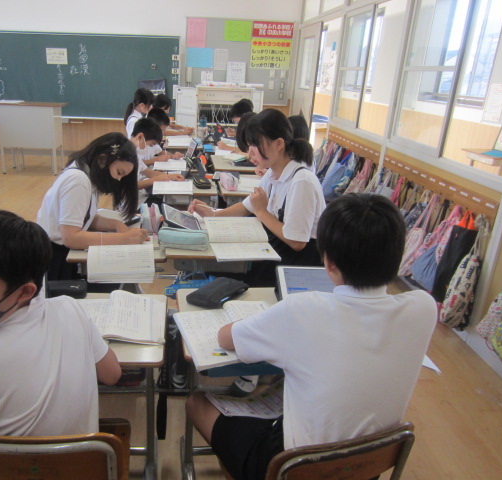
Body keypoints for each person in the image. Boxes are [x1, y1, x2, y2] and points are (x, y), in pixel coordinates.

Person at [185, 193, 438, 480]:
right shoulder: (424, 309)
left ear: (328, 263)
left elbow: (225, 338)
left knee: (197, 403)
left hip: (294, 467)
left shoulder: (301, 310)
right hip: (368, 466)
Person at [0, 210, 122, 480]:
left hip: (6, 471)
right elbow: (112, 374)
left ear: (25, 291)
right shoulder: (70, 307)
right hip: (81, 469)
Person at [189, 109, 326, 287]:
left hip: (297, 267)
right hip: (278, 253)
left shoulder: (302, 181)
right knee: (217, 266)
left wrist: (261, 212)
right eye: (249, 145)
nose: (250, 152)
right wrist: (213, 215)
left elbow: (296, 241)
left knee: (231, 276)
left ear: (279, 144)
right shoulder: (273, 173)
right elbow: (247, 206)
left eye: (255, 145)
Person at [37, 132, 147, 282]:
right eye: (119, 172)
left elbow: (87, 217)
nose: (118, 179)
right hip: (54, 260)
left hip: (61, 253)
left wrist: (116, 225)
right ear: (103, 159)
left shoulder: (88, 176)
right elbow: (71, 238)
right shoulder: (78, 181)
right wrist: (124, 238)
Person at [130, 117, 184, 205]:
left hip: (139, 197)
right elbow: (130, 186)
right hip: (133, 204)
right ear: (140, 137)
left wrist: (170, 176)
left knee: (169, 200)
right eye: (150, 145)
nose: (148, 149)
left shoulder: (134, 154)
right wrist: (157, 179)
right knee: (170, 203)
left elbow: (149, 173)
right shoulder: (127, 155)